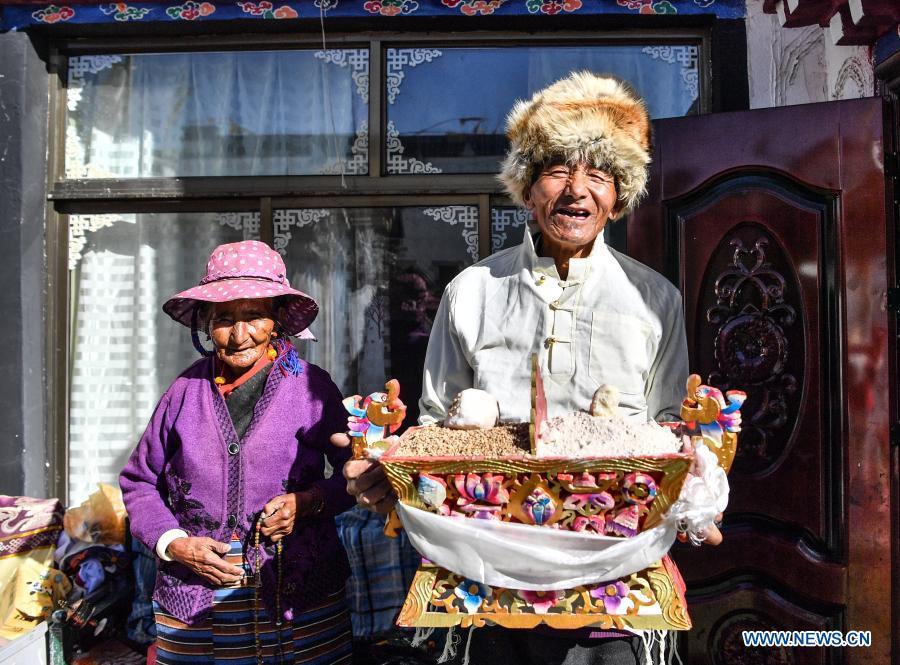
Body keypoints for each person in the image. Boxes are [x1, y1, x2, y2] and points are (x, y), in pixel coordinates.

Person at [335, 73, 722, 663]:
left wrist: (700, 489)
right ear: (526, 187)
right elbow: (440, 422)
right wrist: (390, 476)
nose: (577, 191)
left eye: (598, 174)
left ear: (619, 194)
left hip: (616, 580)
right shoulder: (472, 291)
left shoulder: (654, 299)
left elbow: (670, 425)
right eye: (557, 170)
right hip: (488, 574)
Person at [120, 240, 355, 665]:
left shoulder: (310, 388)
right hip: (195, 601)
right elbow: (139, 482)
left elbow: (356, 474)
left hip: (298, 595)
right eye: (225, 319)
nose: (239, 334)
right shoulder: (182, 394)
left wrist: (311, 501)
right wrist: (175, 544)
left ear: (277, 320)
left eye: (253, 316)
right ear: (206, 325)